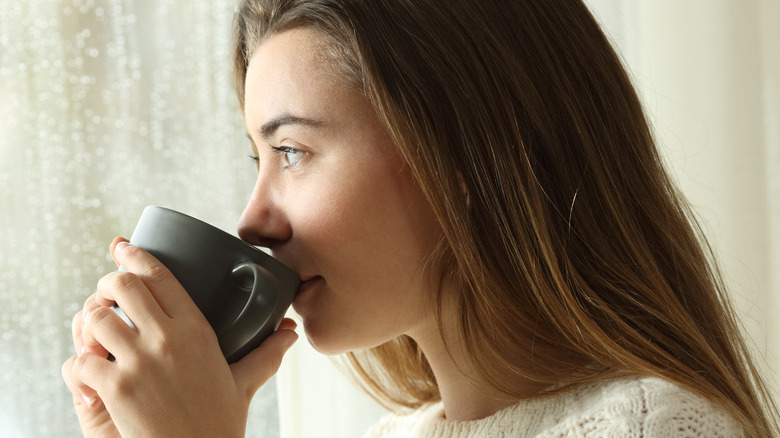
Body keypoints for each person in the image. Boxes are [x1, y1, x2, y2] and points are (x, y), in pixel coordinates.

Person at [62, 0, 779, 436]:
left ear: (459, 154)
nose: (254, 221)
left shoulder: (659, 429)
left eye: (293, 150)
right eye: (259, 160)